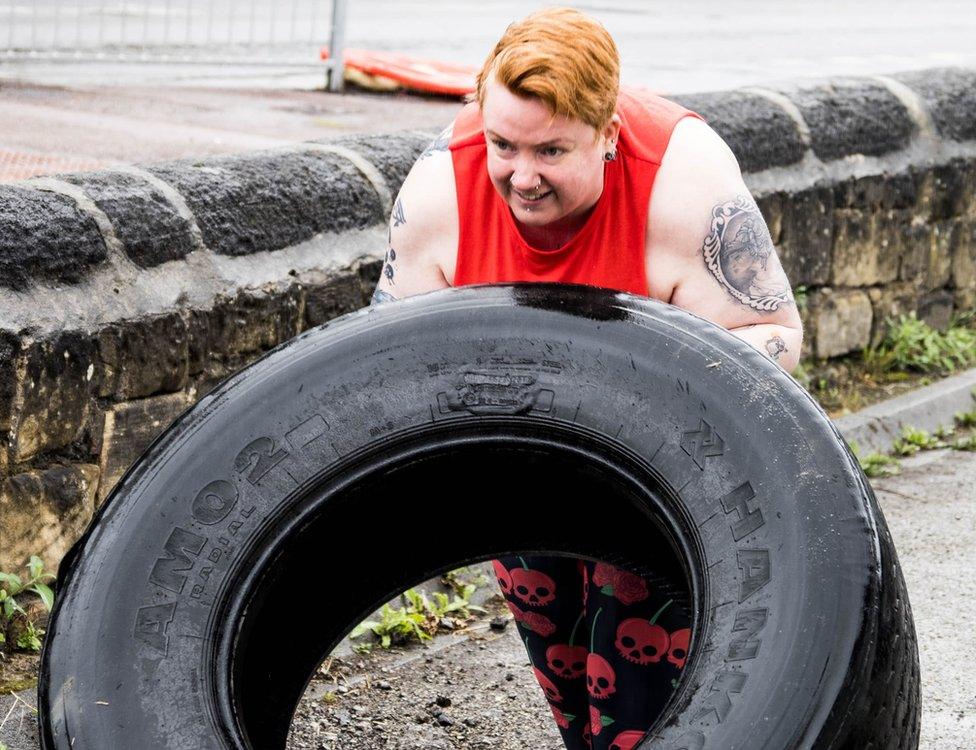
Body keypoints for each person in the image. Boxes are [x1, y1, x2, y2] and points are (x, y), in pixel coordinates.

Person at [370, 8, 802, 749]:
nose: (522, 176)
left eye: (551, 151)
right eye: (504, 144)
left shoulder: (682, 183)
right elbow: (384, 361)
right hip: (525, 455)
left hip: (658, 471)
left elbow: (773, 337)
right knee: (572, 688)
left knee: (631, 705)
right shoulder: (443, 188)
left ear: (606, 136)